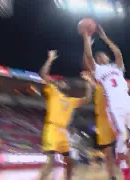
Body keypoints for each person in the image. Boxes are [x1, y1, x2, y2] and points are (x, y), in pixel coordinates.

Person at [82, 25, 130, 180]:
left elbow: (118, 52)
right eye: (98, 58)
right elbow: (88, 58)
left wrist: (104, 38)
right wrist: (85, 38)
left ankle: (123, 152)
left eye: (102, 56)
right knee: (122, 134)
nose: (99, 58)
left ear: (107, 57)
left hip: (127, 102)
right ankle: (125, 173)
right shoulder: (98, 71)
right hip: (114, 105)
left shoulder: (117, 67)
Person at [38, 50, 93, 180]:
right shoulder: (52, 91)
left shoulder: (71, 100)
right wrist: (50, 59)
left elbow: (87, 99)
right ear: (56, 85)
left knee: (69, 162)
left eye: (64, 81)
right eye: (60, 81)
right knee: (50, 162)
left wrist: (89, 83)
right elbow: (43, 74)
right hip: (51, 129)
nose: (63, 82)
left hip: (63, 133)